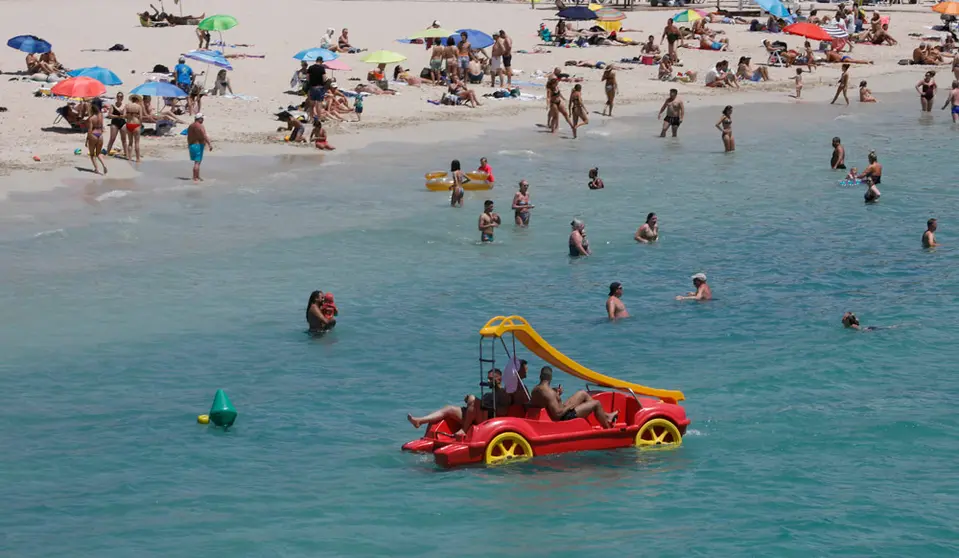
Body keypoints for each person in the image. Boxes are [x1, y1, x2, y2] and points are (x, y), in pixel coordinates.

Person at [407, 369, 510, 435]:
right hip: (476, 417)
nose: (488, 381)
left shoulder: (502, 392)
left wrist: (475, 402)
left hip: (488, 421)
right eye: (488, 379)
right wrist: (469, 402)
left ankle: (464, 430)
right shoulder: (488, 394)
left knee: (473, 399)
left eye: (491, 379)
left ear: (499, 379)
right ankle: (420, 421)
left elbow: (503, 410)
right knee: (449, 408)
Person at [530, 367, 618, 428]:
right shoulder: (549, 393)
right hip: (564, 417)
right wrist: (570, 406)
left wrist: (556, 395)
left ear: (540, 377)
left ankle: (606, 416)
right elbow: (557, 415)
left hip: (561, 411)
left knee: (582, 393)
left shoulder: (535, 390)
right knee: (597, 404)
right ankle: (608, 430)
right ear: (550, 378)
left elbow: (547, 401)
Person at [187, 113, 212, 182]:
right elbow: (204, 135)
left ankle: (197, 176)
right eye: (202, 119)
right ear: (200, 119)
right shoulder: (200, 126)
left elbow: (189, 135)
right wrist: (209, 144)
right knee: (197, 163)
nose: (203, 120)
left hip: (192, 145)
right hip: (197, 145)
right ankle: (195, 178)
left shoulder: (191, 125)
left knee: (197, 162)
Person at [86, 99, 107, 175]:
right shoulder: (101, 115)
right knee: (98, 154)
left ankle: (96, 169)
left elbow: (90, 130)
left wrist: (87, 140)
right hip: (100, 135)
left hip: (93, 135)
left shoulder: (91, 118)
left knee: (92, 154)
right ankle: (104, 165)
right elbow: (102, 127)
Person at [106, 92, 129, 160]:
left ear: (122, 98)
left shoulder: (124, 105)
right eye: (118, 96)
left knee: (124, 139)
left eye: (121, 96)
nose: (119, 98)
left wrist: (122, 115)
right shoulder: (113, 105)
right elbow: (109, 115)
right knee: (112, 138)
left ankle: (126, 154)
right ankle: (108, 152)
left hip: (122, 123)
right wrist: (117, 116)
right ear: (116, 97)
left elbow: (125, 115)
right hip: (114, 123)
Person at [123, 94, 144, 163]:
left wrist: (129, 115)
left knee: (130, 142)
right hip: (136, 124)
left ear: (132, 99)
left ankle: (129, 158)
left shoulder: (127, 105)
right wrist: (140, 124)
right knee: (137, 143)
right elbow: (141, 117)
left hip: (129, 124)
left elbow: (124, 116)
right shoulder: (139, 106)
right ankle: (138, 159)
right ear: (137, 100)